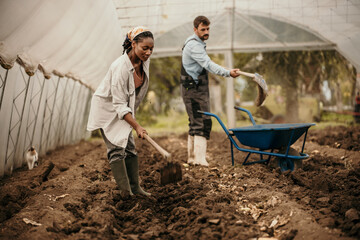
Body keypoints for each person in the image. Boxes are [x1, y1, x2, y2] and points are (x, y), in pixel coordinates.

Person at [87, 26, 154, 198]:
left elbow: (132, 96)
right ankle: (126, 193)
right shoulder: (120, 68)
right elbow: (118, 104)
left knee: (130, 148)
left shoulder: (144, 62)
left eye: (151, 48)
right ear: (133, 44)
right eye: (144, 48)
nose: (148, 52)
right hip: (108, 110)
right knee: (116, 150)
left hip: (124, 108)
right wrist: (137, 126)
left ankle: (135, 188)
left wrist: (133, 120)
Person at [181, 16, 241, 167]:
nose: (206, 32)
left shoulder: (195, 43)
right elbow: (208, 64)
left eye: (208, 29)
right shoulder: (194, 45)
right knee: (202, 122)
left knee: (195, 121)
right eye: (203, 29)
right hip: (193, 90)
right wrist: (228, 73)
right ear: (195, 30)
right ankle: (199, 160)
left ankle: (192, 158)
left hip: (194, 88)